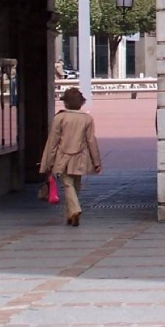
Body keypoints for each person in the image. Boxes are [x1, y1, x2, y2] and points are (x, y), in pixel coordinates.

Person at [40, 87, 102, 226]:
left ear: (66, 103)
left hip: (62, 157)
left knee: (67, 185)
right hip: (80, 157)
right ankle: (70, 215)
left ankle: (74, 210)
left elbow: (53, 142)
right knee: (76, 185)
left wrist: (48, 162)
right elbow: (91, 140)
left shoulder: (60, 118)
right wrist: (96, 161)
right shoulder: (87, 119)